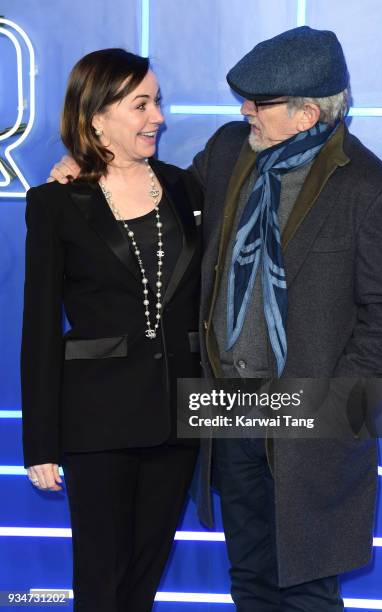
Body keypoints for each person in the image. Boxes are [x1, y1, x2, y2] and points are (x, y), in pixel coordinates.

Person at [49, 27, 382, 612]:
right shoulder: (230, 151)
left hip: (310, 419)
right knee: (250, 580)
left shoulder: (371, 190)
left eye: (260, 101)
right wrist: (88, 164)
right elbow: (160, 198)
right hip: (229, 413)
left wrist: (332, 404)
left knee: (304, 591)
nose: (245, 109)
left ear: (306, 114)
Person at [21, 48, 202, 612]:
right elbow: (40, 328)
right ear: (97, 115)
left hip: (179, 416)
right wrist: (40, 444)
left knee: (143, 581)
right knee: (100, 584)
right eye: (142, 104)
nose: (159, 118)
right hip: (96, 419)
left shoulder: (187, 189)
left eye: (159, 103)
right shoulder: (56, 202)